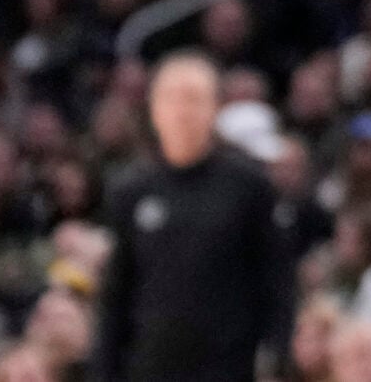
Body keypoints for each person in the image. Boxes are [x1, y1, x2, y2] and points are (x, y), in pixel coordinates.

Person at [91, 51, 295, 382]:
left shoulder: (249, 186)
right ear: (154, 110)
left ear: (215, 108)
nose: (182, 111)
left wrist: (277, 355)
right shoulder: (131, 190)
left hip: (230, 367)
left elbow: (277, 281)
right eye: (171, 99)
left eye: (194, 99)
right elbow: (116, 293)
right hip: (148, 368)